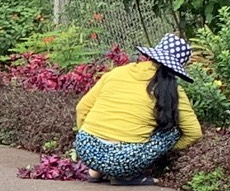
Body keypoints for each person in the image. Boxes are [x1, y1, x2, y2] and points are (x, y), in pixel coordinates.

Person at [72, 33, 203, 183]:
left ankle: (96, 170)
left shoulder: (117, 72)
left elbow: (81, 108)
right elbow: (194, 132)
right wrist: (162, 151)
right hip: (123, 160)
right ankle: (124, 176)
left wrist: (91, 138)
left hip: (86, 149)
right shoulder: (172, 90)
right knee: (172, 132)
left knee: (106, 138)